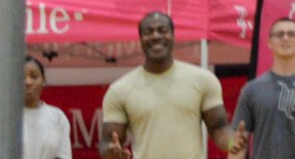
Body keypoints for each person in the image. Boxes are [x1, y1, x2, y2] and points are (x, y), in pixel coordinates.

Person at [100, 11, 243, 159]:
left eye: (163, 30)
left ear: (173, 37)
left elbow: (219, 129)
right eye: (148, 32)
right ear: (140, 40)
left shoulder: (203, 80)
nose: (156, 36)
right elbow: (108, 143)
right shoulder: (119, 90)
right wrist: (111, 153)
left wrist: (233, 141)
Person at [231, 18, 295, 159]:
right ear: (269, 43)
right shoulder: (251, 90)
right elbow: (237, 145)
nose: (285, 38)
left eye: (292, 34)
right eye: (279, 34)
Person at [22, 57, 71, 159]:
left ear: (43, 81)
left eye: (34, 77)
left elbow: (63, 156)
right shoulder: (4, 119)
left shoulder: (57, 117)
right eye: (21, 77)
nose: (28, 82)